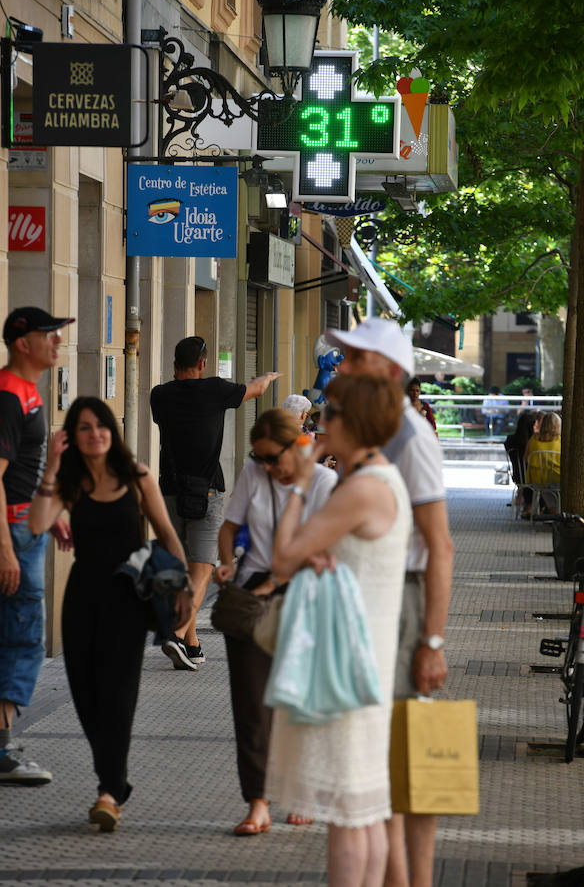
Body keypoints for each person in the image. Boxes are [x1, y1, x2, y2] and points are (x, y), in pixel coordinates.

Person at [266, 373, 411, 887]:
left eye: (333, 414)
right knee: (363, 813)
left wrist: (302, 488)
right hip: (363, 664)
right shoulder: (383, 478)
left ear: (357, 422)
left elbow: (282, 558)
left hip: (345, 670)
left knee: (350, 820)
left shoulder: (360, 489)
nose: (323, 423)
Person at [325, 319, 454, 887]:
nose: (344, 367)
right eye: (345, 357)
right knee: (386, 776)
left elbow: (440, 545)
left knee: (404, 767)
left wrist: (431, 641)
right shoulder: (376, 430)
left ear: (393, 372)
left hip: (398, 607)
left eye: (357, 358)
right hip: (377, 603)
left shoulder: (409, 436)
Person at [28, 397, 191, 831]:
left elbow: (168, 535)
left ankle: (109, 791)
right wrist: (49, 469)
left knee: (117, 698)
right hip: (81, 598)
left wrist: (184, 589)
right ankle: (113, 783)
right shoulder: (71, 482)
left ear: (111, 431)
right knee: (85, 695)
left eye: (100, 426)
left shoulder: (137, 477)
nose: (94, 434)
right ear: (72, 437)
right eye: (83, 428)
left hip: (127, 602)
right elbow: (37, 523)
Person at [215, 408, 337, 836]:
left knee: (299, 704)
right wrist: (227, 563)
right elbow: (229, 527)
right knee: (251, 706)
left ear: (299, 444)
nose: (267, 467)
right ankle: (258, 802)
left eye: (272, 458)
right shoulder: (254, 472)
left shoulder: (325, 484)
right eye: (259, 458)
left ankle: (303, 791)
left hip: (305, 599)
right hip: (251, 599)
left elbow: (329, 551)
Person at [150, 336, 280, 672]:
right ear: (204, 363)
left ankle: (191, 646)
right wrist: (266, 378)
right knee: (203, 568)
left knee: (182, 569)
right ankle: (177, 634)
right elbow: (254, 391)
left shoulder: (159, 395)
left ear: (174, 362)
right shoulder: (215, 390)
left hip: (170, 491)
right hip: (206, 491)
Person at [0, 307, 75, 784]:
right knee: (20, 637)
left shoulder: (25, 391)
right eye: (49, 335)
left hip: (26, 528)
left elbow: (17, 475)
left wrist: (49, 516)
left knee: (2, 633)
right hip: (14, 535)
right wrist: (4, 547)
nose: (57, 342)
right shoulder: (4, 395)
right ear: (24, 343)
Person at [524, 412, 562, 513]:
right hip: (558, 479)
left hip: (538, 480)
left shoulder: (533, 439)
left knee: (546, 491)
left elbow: (526, 459)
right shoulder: (560, 442)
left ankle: (552, 512)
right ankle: (556, 514)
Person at [504, 411, 536, 518]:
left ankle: (523, 501)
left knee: (525, 476)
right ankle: (532, 507)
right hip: (533, 477)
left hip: (518, 475)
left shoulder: (510, 440)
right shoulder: (535, 442)